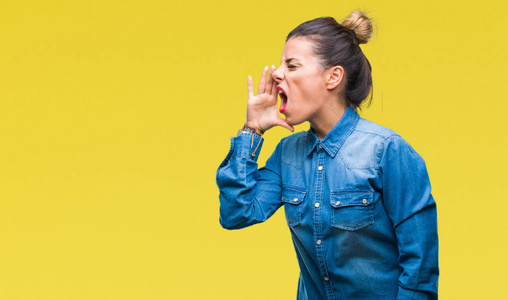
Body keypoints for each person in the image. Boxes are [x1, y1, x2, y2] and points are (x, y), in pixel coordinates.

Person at [216, 10, 439, 300]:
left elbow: (419, 269)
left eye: (292, 65)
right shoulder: (287, 154)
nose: (276, 73)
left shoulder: (386, 150)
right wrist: (252, 131)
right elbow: (237, 213)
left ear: (333, 77)